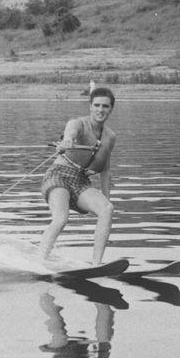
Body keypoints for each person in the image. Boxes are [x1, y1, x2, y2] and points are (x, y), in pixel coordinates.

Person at [39, 87, 116, 265]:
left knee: (107, 209)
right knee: (61, 218)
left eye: (105, 106)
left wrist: (106, 198)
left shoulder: (110, 137)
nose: (100, 110)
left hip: (81, 180)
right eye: (96, 105)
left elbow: (105, 170)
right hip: (59, 175)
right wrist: (67, 140)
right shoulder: (79, 124)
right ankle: (40, 260)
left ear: (111, 109)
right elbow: (70, 132)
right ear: (90, 106)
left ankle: (96, 265)